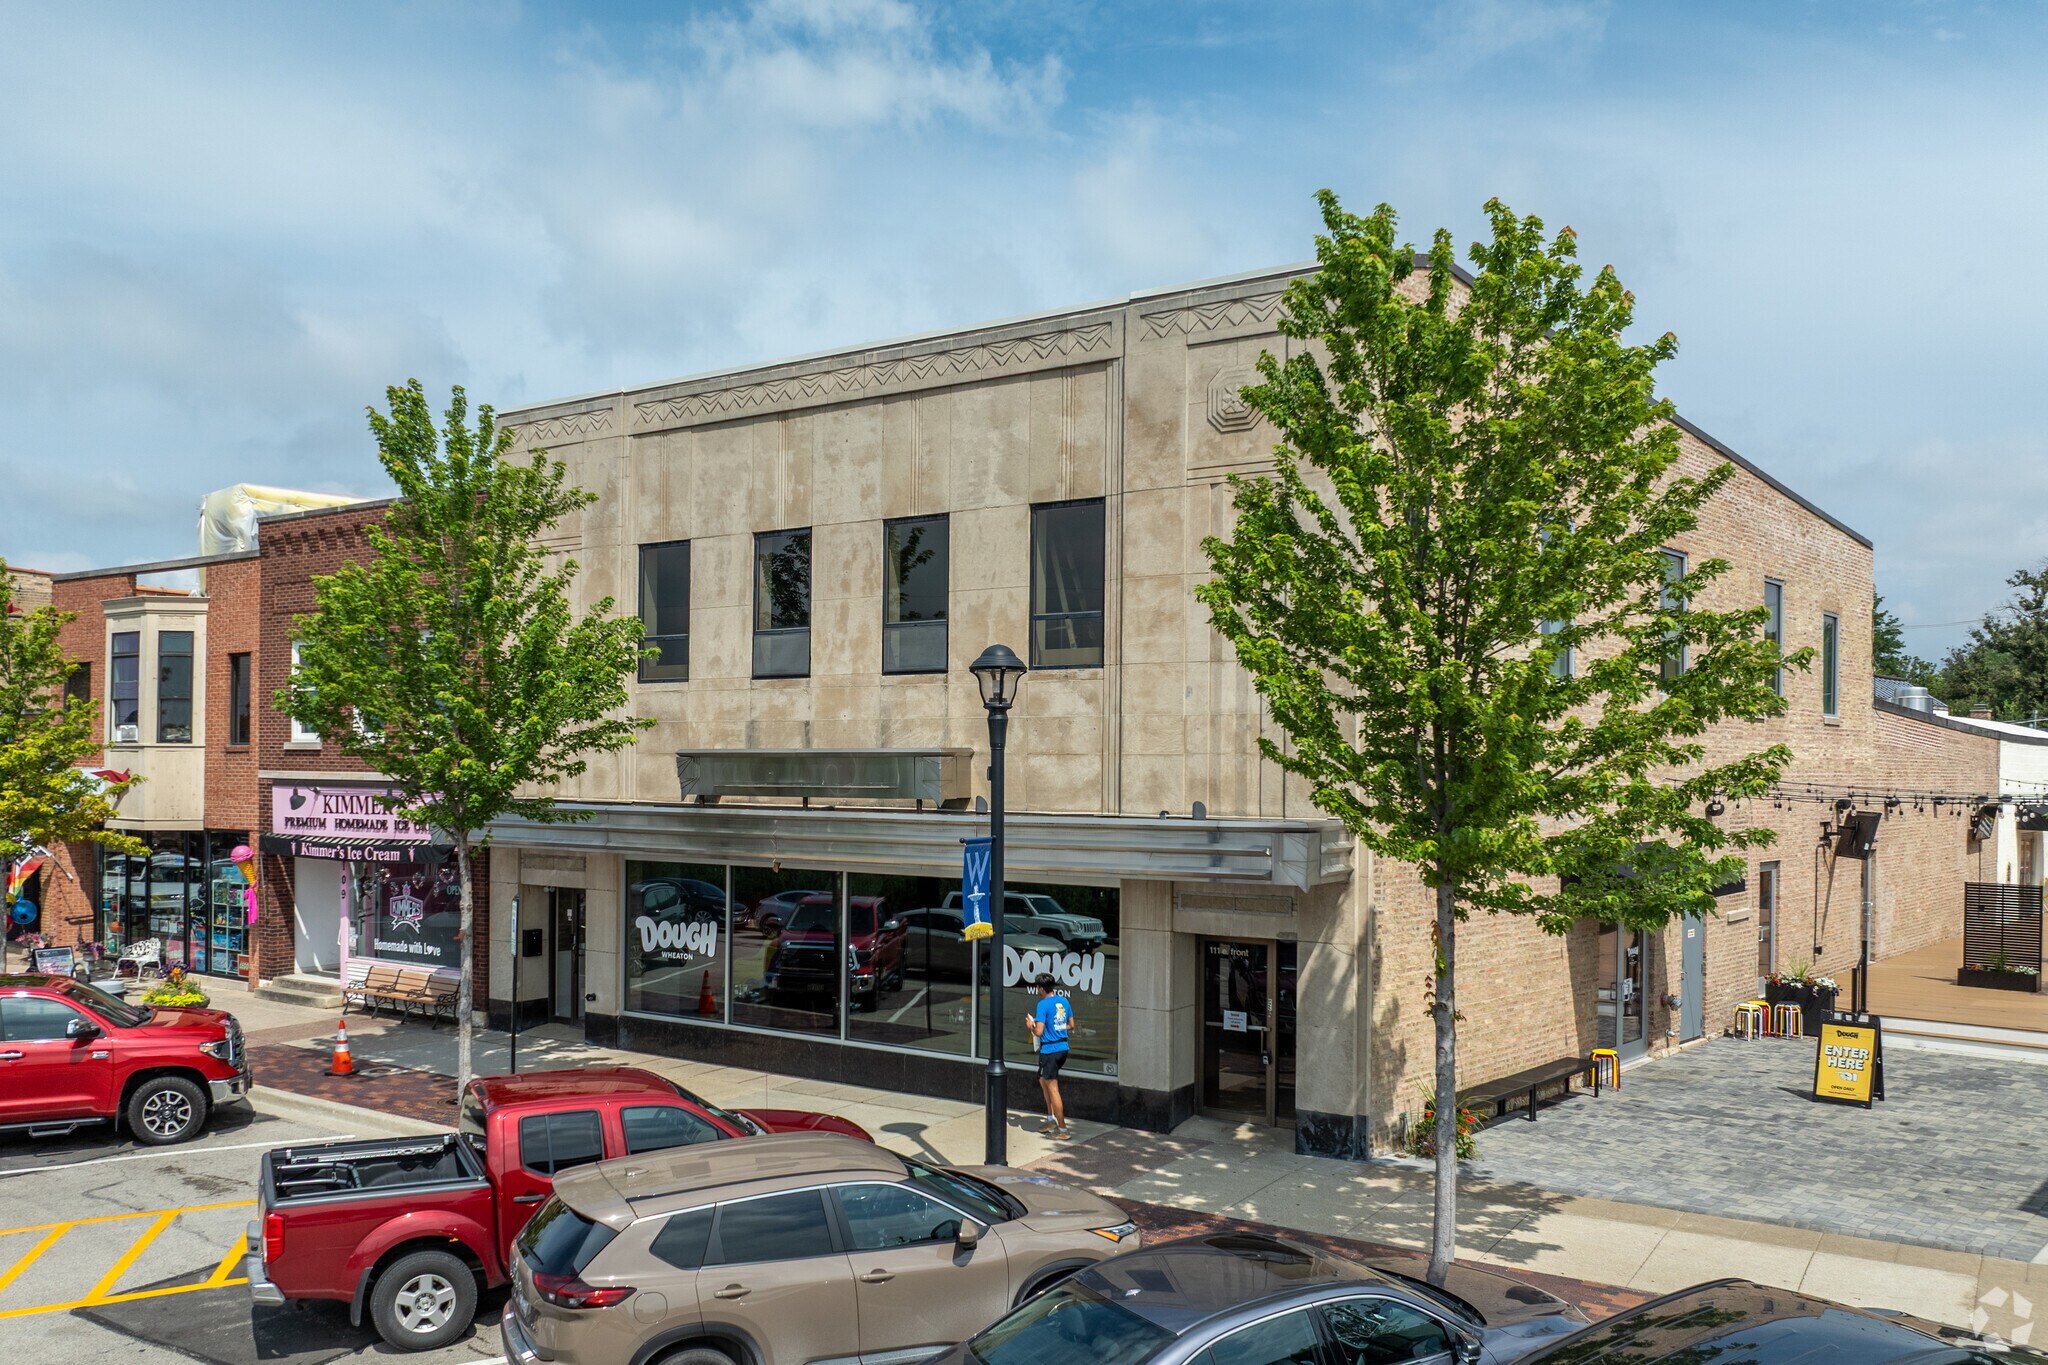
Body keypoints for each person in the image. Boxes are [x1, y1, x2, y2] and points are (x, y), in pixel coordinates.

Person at [1026, 973, 1073, 1139]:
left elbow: (1038, 1031)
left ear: (1040, 988)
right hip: (1062, 1048)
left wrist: (1031, 1025)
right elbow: (1070, 1025)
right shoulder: (1064, 1001)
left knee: (1053, 1089)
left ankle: (1063, 1130)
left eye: (1037, 987)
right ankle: (1050, 1119)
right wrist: (1056, 1029)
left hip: (1050, 1051)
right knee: (1042, 1080)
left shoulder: (1043, 1005)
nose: (1037, 990)